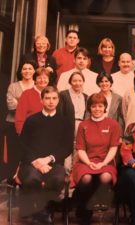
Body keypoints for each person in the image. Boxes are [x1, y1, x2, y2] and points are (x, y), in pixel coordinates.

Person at [18, 86, 73, 224]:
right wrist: (36, 161)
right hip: (31, 163)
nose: (50, 101)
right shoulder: (32, 120)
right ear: (41, 100)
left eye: (54, 98)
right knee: (32, 179)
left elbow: (67, 147)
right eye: (47, 98)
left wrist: (48, 159)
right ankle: (40, 212)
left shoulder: (65, 121)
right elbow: (22, 145)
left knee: (58, 180)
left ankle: (45, 209)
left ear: (58, 100)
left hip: (54, 163)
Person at [72, 93, 121, 225]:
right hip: (85, 161)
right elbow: (80, 149)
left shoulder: (113, 124)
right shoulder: (83, 125)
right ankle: (85, 209)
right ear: (89, 108)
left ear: (105, 107)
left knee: (105, 177)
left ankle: (90, 202)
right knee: (86, 178)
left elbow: (113, 148)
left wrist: (103, 163)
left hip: (106, 161)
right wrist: (89, 163)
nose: (97, 109)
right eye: (94, 106)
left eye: (100, 106)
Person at [5, 60, 37, 178]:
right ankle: (11, 178)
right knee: (14, 153)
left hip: (33, 126)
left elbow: (40, 107)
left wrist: (20, 103)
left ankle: (25, 177)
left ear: (34, 71)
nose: (27, 71)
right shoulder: (13, 86)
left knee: (30, 153)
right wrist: (29, 106)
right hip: (13, 124)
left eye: (30, 68)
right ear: (20, 71)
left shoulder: (38, 86)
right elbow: (11, 106)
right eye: (24, 68)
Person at [57, 71, 88, 174]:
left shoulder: (85, 96)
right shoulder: (63, 95)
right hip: (68, 127)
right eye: (74, 81)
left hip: (81, 127)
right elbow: (60, 114)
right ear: (70, 82)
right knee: (66, 156)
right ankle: (64, 181)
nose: (77, 83)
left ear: (83, 82)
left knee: (78, 153)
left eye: (80, 80)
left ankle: (72, 182)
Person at [15, 67, 50, 135]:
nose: (42, 80)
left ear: (48, 80)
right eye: (39, 78)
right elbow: (20, 116)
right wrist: (21, 133)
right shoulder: (27, 94)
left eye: (45, 78)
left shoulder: (52, 94)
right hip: (30, 133)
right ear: (35, 80)